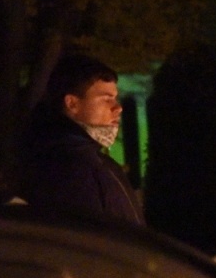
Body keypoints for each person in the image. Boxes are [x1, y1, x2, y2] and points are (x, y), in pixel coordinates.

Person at [13, 54, 144, 226]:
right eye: (106, 99)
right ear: (72, 104)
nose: (118, 108)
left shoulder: (85, 158)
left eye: (115, 98)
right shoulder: (66, 167)